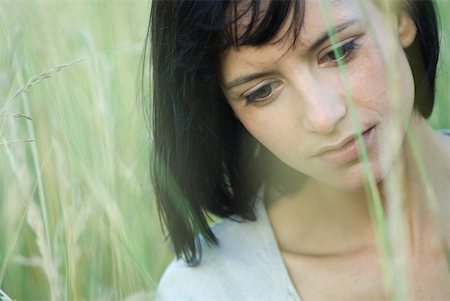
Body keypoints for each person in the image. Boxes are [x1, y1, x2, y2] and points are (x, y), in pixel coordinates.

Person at [146, 0, 450, 299]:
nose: (323, 117)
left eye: (339, 51)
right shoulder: (211, 290)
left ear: (401, 16)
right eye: (262, 91)